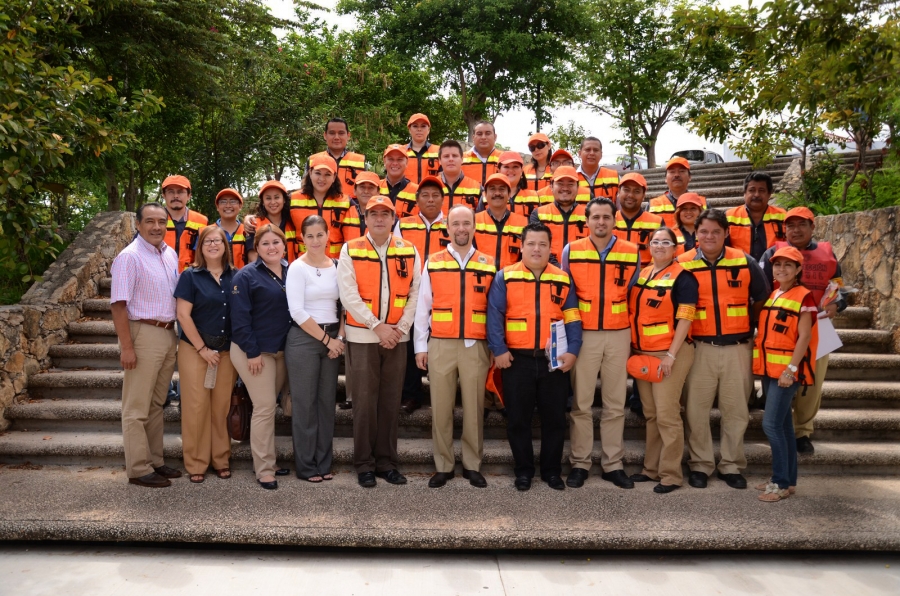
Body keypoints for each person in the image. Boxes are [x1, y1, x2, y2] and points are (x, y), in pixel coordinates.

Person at [677, 209, 770, 490]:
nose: (709, 236)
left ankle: (731, 465)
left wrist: (747, 325)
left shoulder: (745, 261)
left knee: (736, 410)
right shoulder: (682, 263)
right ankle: (700, 465)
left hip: (738, 348)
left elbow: (762, 297)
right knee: (696, 410)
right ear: (695, 234)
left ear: (726, 233)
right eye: (703, 231)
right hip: (699, 348)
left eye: (716, 231)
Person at [486, 222, 583, 491]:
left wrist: (573, 350)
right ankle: (524, 471)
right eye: (531, 243)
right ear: (522, 245)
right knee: (518, 419)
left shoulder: (562, 278)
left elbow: (573, 317)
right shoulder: (505, 276)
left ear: (550, 247)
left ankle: (552, 472)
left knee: (554, 419)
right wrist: (499, 349)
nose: (537, 249)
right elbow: (494, 315)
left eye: (542, 244)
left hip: (553, 362)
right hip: (517, 361)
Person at [338, 195, 421, 488]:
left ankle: (387, 462)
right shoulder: (351, 249)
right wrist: (377, 326)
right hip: (363, 337)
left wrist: (399, 328)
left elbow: (415, 293)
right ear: (365, 217)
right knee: (363, 402)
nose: (379, 219)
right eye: (374, 214)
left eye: (385, 213)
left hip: (397, 339)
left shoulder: (410, 250)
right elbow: (348, 294)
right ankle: (364, 464)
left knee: (390, 402)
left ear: (393, 218)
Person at [415, 205, 496, 488]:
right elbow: (422, 307)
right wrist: (420, 347)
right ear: (447, 228)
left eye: (467, 223)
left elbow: (495, 310)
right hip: (440, 344)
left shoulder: (488, 263)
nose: (461, 228)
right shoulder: (433, 261)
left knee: (474, 407)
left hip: (476, 345)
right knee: (441, 407)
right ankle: (444, 465)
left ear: (475, 227)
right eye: (456, 224)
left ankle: (473, 465)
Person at [562, 197, 640, 489]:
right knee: (581, 403)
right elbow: (567, 296)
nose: (601, 222)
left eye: (607, 217)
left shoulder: (631, 252)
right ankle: (580, 463)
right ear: (587, 221)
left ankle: (612, 464)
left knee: (615, 404)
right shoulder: (572, 250)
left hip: (619, 334)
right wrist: (572, 336)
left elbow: (634, 297)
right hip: (584, 335)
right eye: (595, 217)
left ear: (615, 220)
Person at [759, 206, 846, 454]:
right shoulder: (771, 254)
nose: (795, 230)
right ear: (784, 229)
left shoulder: (827, 255)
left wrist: (837, 305)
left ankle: (802, 431)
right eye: (790, 225)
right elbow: (761, 291)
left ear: (812, 227)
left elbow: (839, 289)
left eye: (801, 225)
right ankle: (781, 426)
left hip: (818, 329)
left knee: (812, 384)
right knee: (778, 379)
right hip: (780, 330)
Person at [109, 202, 182, 487]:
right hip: (142, 333)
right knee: (136, 406)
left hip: (167, 334)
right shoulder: (130, 257)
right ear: (138, 225)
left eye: (161, 221)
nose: (156, 227)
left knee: (156, 404)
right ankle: (139, 469)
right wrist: (127, 347)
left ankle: (155, 461)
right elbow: (118, 305)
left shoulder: (169, 254)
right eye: (150, 221)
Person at [628, 227, 698, 493]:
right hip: (643, 353)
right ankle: (651, 469)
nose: (659, 246)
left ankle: (670, 475)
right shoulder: (644, 273)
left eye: (665, 242)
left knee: (667, 415)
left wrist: (671, 354)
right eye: (655, 242)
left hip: (670, 354)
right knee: (651, 414)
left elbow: (685, 318)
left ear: (675, 248)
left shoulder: (684, 277)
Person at [230, 224, 293, 490]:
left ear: (284, 244)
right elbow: (240, 319)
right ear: (257, 247)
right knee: (265, 406)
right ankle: (264, 469)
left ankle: (272, 462)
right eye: (265, 243)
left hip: (282, 350)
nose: (271, 247)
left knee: (271, 407)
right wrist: (252, 352)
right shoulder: (246, 276)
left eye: (276, 242)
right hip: (253, 351)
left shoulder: (294, 271)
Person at [753, 245, 819, 502]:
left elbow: (804, 337)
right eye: (777, 264)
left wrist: (791, 370)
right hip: (770, 369)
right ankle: (788, 480)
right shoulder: (776, 292)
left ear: (798, 269)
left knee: (770, 425)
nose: (781, 269)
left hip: (786, 372)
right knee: (783, 426)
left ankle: (779, 483)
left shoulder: (804, 296)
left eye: (788, 265)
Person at [174, 225, 238, 483]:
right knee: (196, 406)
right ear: (200, 247)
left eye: (218, 241)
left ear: (226, 246)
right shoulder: (190, 276)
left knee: (220, 407)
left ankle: (221, 459)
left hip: (226, 352)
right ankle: (197, 462)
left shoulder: (236, 276)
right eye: (207, 241)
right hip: (195, 350)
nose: (213, 245)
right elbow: (182, 315)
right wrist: (202, 349)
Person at [286, 215, 346, 483]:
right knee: (305, 405)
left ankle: (324, 463)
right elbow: (297, 311)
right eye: (309, 236)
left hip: (333, 338)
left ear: (328, 234)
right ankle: (307, 466)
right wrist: (327, 341)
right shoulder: (297, 268)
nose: (315, 240)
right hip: (305, 339)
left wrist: (340, 339)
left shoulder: (337, 265)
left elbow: (344, 306)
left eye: (319, 235)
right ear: (302, 238)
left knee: (325, 404)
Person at [395, 176, 449, 414]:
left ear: (443, 200)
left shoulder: (451, 224)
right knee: (409, 348)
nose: (430, 199)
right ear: (416, 200)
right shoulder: (404, 224)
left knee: (437, 344)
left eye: (435, 195)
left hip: (443, 293)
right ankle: (411, 395)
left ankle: (440, 393)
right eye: (425, 195)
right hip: (410, 293)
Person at [290, 154, 349, 259]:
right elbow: (272, 216)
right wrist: (251, 219)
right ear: (310, 173)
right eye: (318, 173)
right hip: (303, 264)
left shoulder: (346, 202)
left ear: (334, 177)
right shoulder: (292, 200)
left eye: (327, 174)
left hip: (334, 265)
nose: (322, 179)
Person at [530, 165, 588, 265]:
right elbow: (536, 247)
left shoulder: (589, 215)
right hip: (547, 273)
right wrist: (559, 270)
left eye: (570, 184)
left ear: (578, 187)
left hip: (581, 273)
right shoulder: (538, 214)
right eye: (560, 184)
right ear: (551, 187)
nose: (565, 188)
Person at [726, 172, 786, 260]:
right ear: (744, 193)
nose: (756, 194)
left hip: (774, 270)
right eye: (752, 190)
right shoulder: (729, 217)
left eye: (761, 190)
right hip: (740, 270)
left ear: (769, 194)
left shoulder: (783, 216)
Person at [474, 173, 528, 269]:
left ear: (509, 194)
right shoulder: (474, 221)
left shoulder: (524, 223)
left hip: (511, 280)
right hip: (481, 279)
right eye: (492, 189)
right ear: (485, 194)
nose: (497, 193)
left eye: (502, 189)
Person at [613, 172, 663, 267]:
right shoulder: (607, 221)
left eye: (636, 191)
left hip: (647, 279)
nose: (630, 195)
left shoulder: (657, 222)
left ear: (644, 195)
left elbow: (662, 256)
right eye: (626, 190)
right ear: (618, 192)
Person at [160, 175, 207, 273]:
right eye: (171, 192)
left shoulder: (201, 222)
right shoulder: (153, 219)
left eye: (180, 192)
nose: (176, 196)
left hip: (191, 279)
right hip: (159, 278)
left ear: (189, 195)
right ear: (164, 195)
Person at [308, 117, 366, 196]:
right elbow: (306, 189)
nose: (336, 137)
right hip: (320, 207)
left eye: (341, 133)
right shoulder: (312, 160)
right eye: (332, 133)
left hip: (350, 207)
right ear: (325, 135)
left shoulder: (360, 161)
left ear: (348, 135)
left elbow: (366, 191)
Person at [246, 180, 298, 264]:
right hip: (265, 275)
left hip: (292, 274)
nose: (273, 202)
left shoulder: (293, 222)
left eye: (277, 197)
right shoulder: (254, 224)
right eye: (268, 198)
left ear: (284, 200)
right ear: (263, 202)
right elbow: (252, 256)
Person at [647, 157, 707, 228]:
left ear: (690, 177)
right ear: (665, 179)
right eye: (672, 172)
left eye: (681, 171)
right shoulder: (652, 206)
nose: (676, 175)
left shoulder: (703, 203)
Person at [437, 140, 482, 213]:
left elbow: (481, 218)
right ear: (439, 161)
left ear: (462, 159)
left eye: (455, 156)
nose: (451, 159)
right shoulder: (431, 186)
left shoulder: (477, 188)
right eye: (446, 156)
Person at [496, 151, 544, 218]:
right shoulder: (486, 197)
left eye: (515, 167)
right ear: (499, 170)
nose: (511, 170)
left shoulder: (533, 197)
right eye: (506, 167)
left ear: (522, 171)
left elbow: (539, 225)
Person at [380, 143, 420, 219]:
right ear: (384, 161)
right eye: (391, 159)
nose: (395, 163)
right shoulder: (375, 187)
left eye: (399, 159)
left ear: (407, 162)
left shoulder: (418, 191)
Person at [341, 171, 381, 243]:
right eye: (362, 187)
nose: (366, 191)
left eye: (371, 188)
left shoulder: (386, 216)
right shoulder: (345, 213)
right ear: (354, 191)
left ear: (378, 192)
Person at [576, 137, 619, 203]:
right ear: (579, 153)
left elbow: (621, 207)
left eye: (596, 150)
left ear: (601, 154)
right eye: (587, 150)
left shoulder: (614, 176)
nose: (592, 153)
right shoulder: (572, 178)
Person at [214, 188, 246, 269]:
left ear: (240, 206)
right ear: (217, 206)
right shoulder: (205, 232)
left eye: (233, 201)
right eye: (223, 202)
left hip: (244, 280)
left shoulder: (248, 231)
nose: (228, 205)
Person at [462, 120, 502, 185]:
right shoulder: (461, 159)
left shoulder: (504, 159)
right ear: (473, 137)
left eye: (488, 133)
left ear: (495, 137)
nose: (483, 137)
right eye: (479, 134)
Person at [404, 113, 440, 183]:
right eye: (415, 126)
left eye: (423, 126)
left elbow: (443, 179)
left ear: (428, 130)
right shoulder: (401, 152)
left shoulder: (439, 151)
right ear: (409, 130)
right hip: (406, 193)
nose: (419, 129)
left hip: (430, 193)